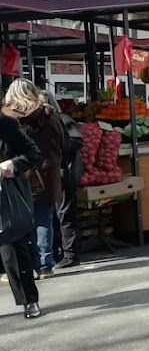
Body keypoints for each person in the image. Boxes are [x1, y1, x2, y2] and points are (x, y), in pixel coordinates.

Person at [3, 80, 65, 280]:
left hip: (17, 174)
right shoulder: (49, 114)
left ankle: (21, 268)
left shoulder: (8, 117)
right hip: (47, 173)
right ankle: (44, 266)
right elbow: (63, 141)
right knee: (43, 219)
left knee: (16, 223)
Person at [0, 110, 41, 317]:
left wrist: (14, 164)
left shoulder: (7, 124)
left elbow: (34, 154)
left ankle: (29, 299)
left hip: (7, 196)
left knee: (15, 250)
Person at [42, 90, 82, 269]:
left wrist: (56, 145)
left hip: (63, 173)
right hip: (49, 175)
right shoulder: (41, 123)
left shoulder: (63, 119)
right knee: (52, 217)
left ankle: (70, 255)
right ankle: (59, 252)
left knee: (65, 214)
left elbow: (77, 141)